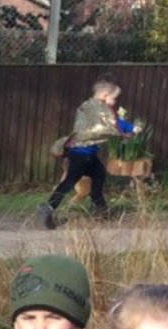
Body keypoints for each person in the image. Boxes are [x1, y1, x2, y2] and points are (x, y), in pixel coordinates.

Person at [37, 75, 135, 229]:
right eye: (114, 98)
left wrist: (127, 129)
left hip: (89, 154)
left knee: (99, 174)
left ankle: (100, 208)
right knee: (69, 182)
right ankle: (48, 208)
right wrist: (130, 129)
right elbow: (112, 124)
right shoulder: (93, 108)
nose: (115, 102)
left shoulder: (95, 107)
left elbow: (114, 122)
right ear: (105, 95)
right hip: (80, 154)